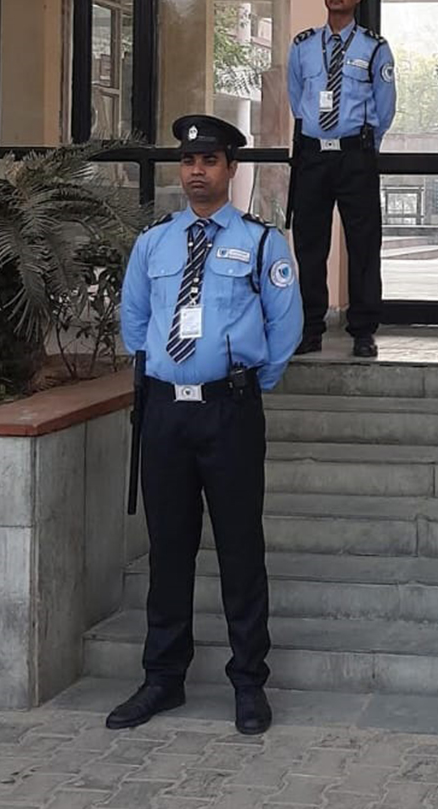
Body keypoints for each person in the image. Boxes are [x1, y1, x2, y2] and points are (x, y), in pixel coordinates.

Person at [110, 114, 303, 735]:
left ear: (231, 168)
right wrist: (166, 376)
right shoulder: (154, 243)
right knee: (168, 549)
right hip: (166, 411)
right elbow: (135, 321)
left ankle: (249, 682)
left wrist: (244, 385)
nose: (198, 171)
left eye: (210, 160)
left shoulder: (261, 242)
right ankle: (163, 678)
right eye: (189, 161)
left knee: (240, 548)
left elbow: (285, 325)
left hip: (229, 412)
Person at [286, 0, 396, 358]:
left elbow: (385, 107)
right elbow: (297, 98)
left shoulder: (374, 48)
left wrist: (363, 146)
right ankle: (311, 327)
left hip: (354, 157)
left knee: (363, 246)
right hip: (313, 157)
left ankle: (363, 330)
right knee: (309, 245)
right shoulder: (303, 47)